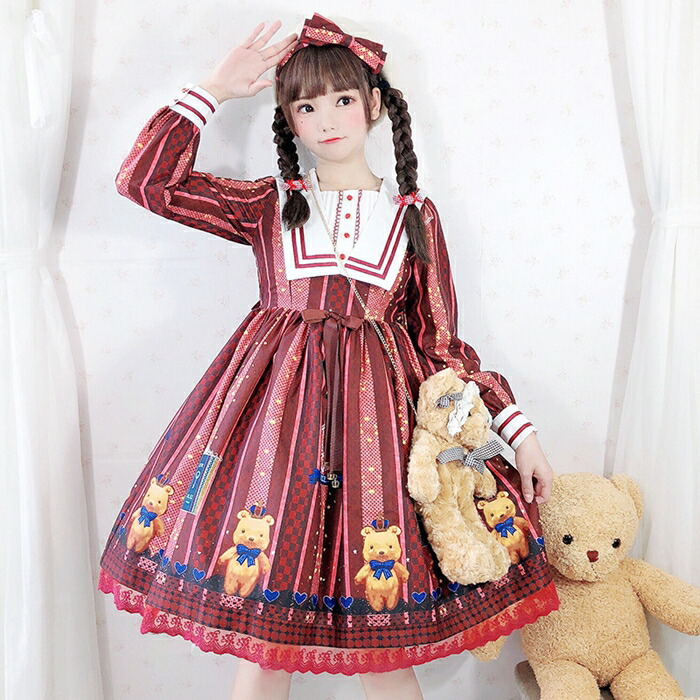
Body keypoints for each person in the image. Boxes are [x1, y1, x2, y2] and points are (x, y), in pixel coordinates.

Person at [98, 14, 557, 700]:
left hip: (379, 441)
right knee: (264, 643)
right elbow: (146, 182)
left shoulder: (413, 217)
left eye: (342, 99)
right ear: (288, 121)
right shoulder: (270, 204)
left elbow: (441, 344)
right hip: (270, 434)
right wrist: (213, 88)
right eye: (306, 106)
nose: (327, 119)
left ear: (374, 104)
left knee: (384, 651)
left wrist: (519, 434)